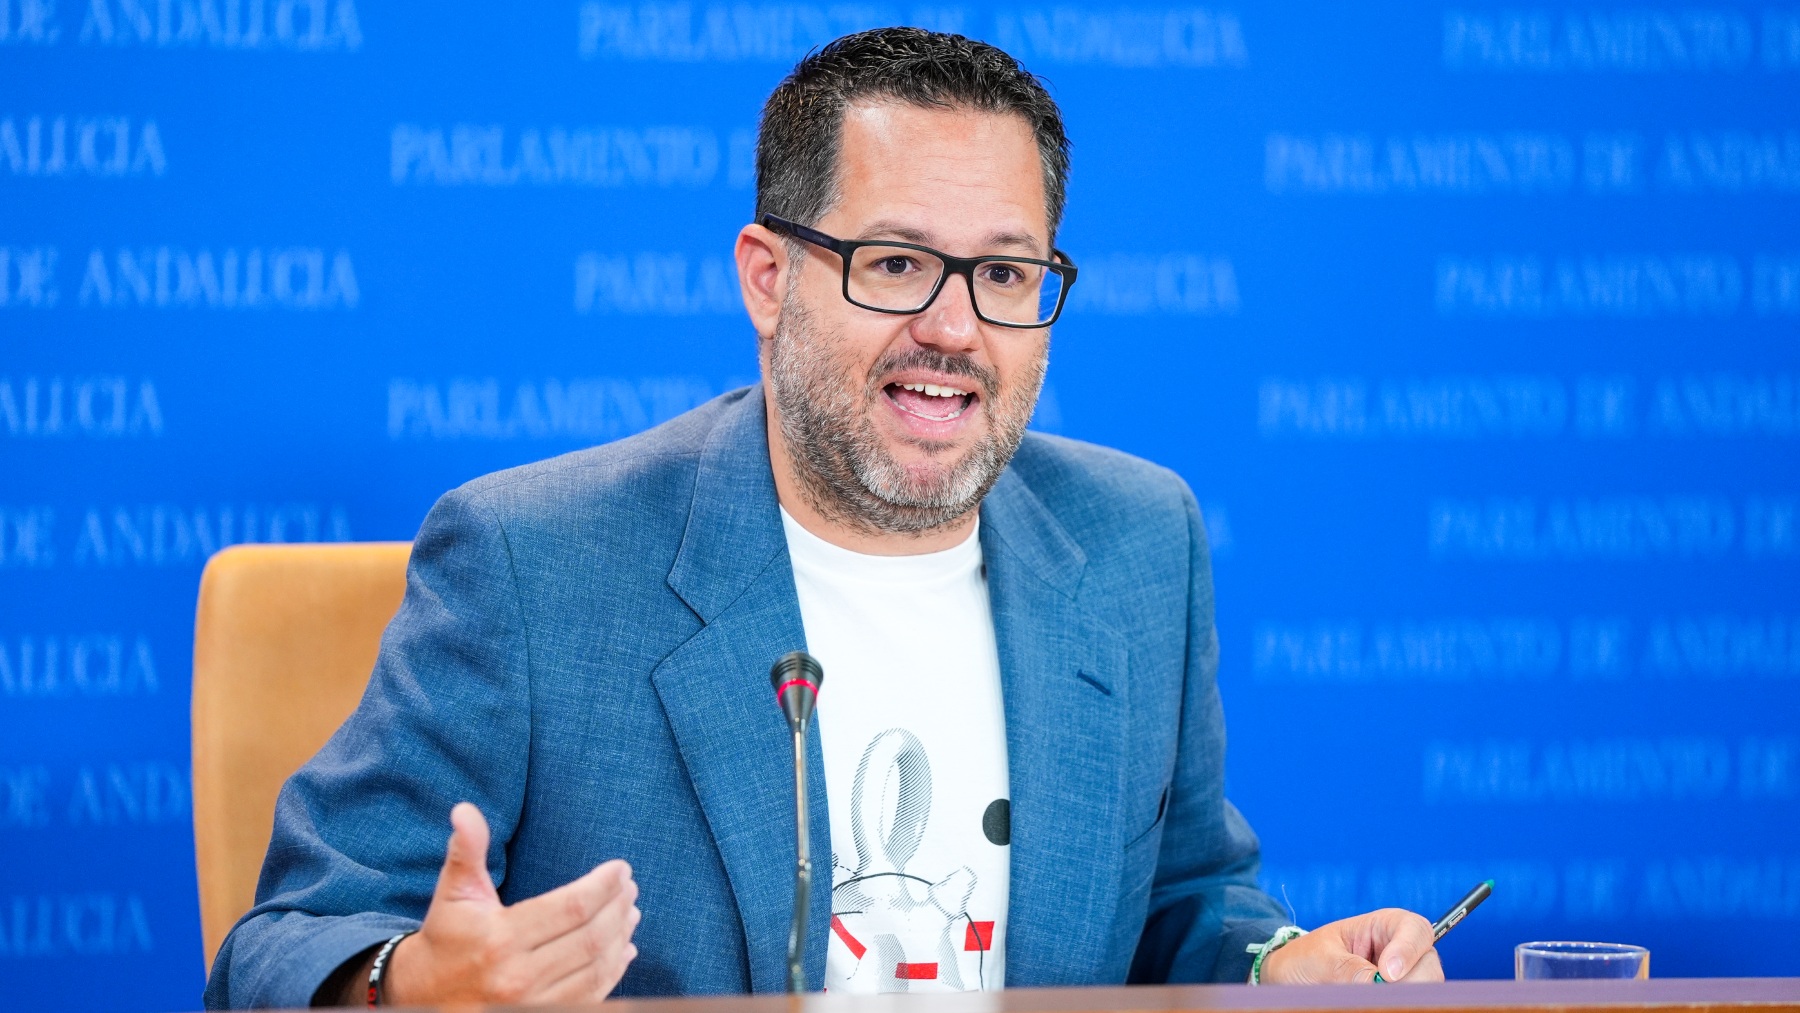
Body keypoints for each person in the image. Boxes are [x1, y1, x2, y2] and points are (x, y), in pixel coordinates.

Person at [204, 28, 1445, 1009]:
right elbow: (283, 943)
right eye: (896, 262)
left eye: (1006, 275)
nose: (955, 330)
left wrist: (1277, 960)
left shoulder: (1137, 540)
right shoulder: (533, 560)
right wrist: (407, 983)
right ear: (769, 278)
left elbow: (1184, 898)